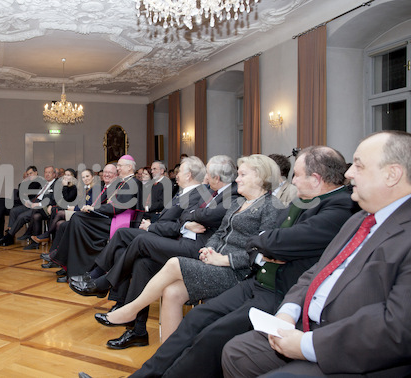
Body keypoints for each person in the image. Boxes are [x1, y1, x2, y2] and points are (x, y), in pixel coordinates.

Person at [126, 146, 356, 377]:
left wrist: (261, 245)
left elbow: (273, 241)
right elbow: (264, 242)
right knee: (196, 318)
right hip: (257, 282)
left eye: (296, 174)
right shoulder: (300, 203)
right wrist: (259, 245)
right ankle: (144, 374)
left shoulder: (338, 206)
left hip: (280, 291)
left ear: (316, 179)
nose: (292, 181)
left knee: (212, 335)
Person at [222, 131, 411, 377]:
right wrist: (288, 311)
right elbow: (319, 270)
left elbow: (396, 329)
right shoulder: (359, 219)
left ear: (392, 174)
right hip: (308, 325)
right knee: (236, 351)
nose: (349, 173)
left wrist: (306, 345)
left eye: (359, 166)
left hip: (358, 351)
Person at [95, 154, 282, 349]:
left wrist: (224, 259)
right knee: (169, 290)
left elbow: (262, 252)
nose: (236, 179)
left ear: (260, 177)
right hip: (212, 259)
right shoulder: (238, 203)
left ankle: (130, 309)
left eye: (243, 174)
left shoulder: (271, 207)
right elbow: (219, 233)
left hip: (236, 272)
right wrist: (209, 249)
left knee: (167, 258)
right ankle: (165, 355)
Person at [69, 157, 207, 299]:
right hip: (160, 231)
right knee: (120, 242)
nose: (176, 175)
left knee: (125, 237)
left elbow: (181, 223)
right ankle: (115, 297)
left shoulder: (197, 195)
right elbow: (178, 221)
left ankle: (99, 279)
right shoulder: (182, 192)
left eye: (180, 172)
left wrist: (151, 227)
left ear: (188, 175)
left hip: (169, 239)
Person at [51, 156, 142, 278]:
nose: (118, 168)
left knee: (78, 219)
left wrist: (94, 209)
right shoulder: (124, 182)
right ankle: (72, 267)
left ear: (129, 167)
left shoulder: (133, 183)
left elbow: (117, 207)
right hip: (112, 217)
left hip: (119, 221)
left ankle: (72, 265)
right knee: (77, 219)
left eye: (120, 166)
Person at [41, 164, 118, 273]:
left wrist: (76, 207)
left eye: (87, 176)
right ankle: (58, 259)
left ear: (92, 177)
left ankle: (56, 256)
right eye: (83, 177)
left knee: (63, 221)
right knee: (62, 224)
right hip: (85, 216)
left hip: (92, 219)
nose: (85, 179)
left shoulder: (98, 188)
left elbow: (93, 206)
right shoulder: (88, 189)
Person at [0, 166, 57, 246]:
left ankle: (8, 237)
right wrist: (30, 202)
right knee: (14, 211)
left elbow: (53, 200)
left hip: (41, 207)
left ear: (54, 174)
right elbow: (36, 195)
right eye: (45, 172)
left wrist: (38, 204)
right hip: (33, 202)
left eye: (49, 172)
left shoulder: (56, 184)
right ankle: (10, 236)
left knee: (21, 216)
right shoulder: (44, 183)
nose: (47, 174)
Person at [23, 168, 78, 250]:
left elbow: (67, 199)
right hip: (55, 209)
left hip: (65, 210)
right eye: (65, 175)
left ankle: (42, 234)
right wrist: (51, 205)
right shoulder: (60, 185)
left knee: (38, 210)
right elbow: (54, 198)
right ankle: (36, 242)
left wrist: (65, 186)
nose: (66, 177)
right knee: (36, 216)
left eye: (68, 175)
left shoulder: (74, 187)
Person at [0, 166, 38, 233]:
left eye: (31, 173)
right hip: (18, 203)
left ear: (36, 172)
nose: (29, 175)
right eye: (28, 174)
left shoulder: (38, 182)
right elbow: (20, 192)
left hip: (25, 206)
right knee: (0, 205)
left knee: (0, 207)